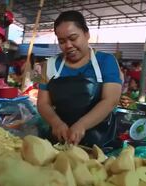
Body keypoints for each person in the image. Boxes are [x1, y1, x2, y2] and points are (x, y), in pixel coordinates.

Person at [37, 10, 122, 147]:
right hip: (60, 139)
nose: (68, 45)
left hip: (99, 142)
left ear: (87, 34)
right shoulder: (44, 66)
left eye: (73, 38)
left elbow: (111, 100)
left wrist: (82, 125)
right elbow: (42, 103)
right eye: (62, 41)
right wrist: (56, 123)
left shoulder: (107, 61)